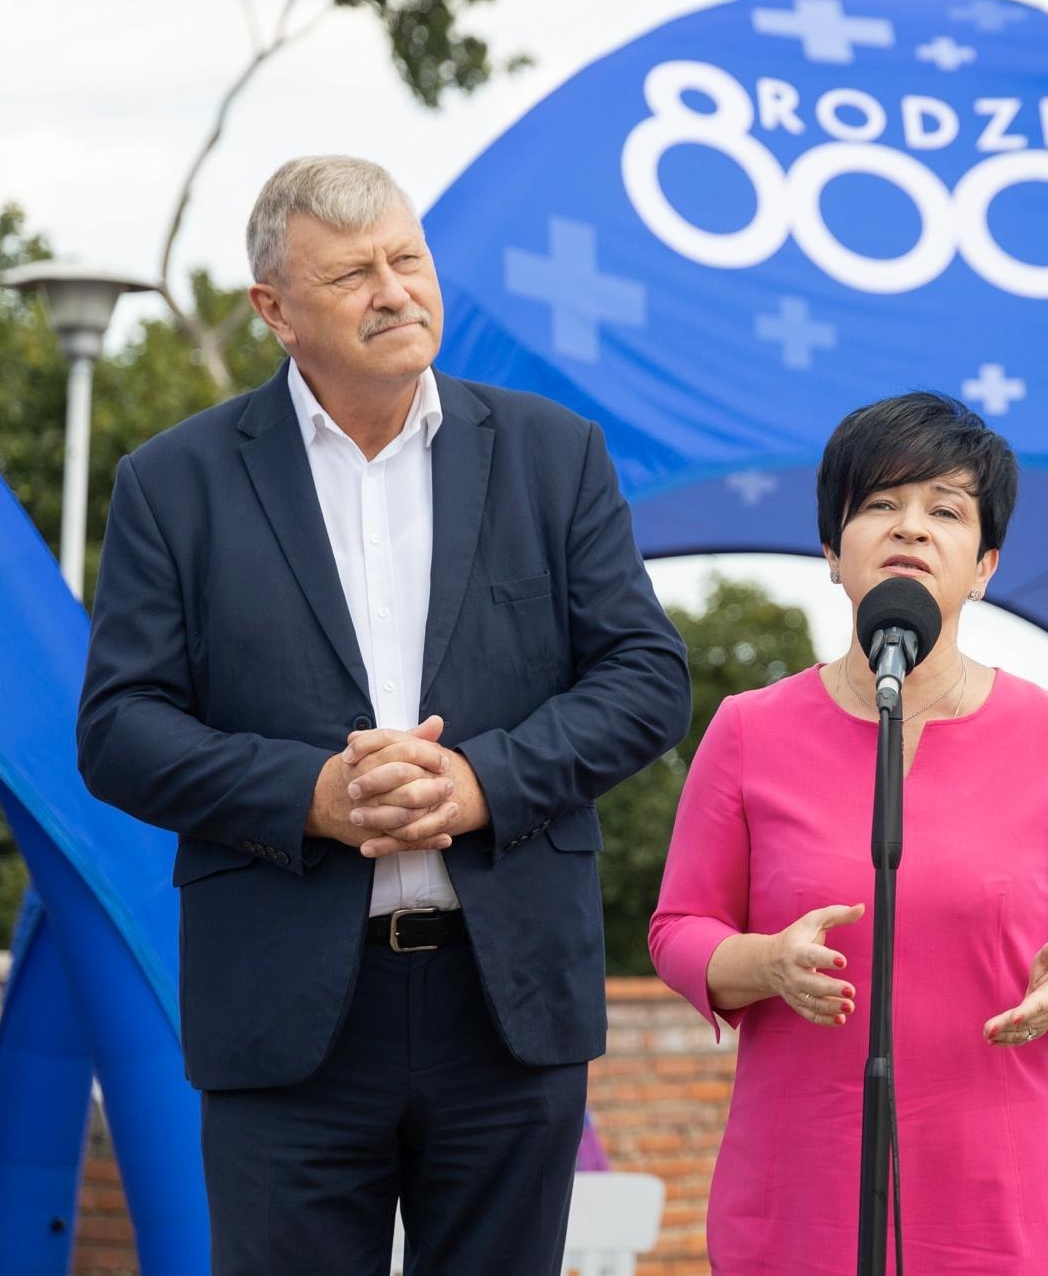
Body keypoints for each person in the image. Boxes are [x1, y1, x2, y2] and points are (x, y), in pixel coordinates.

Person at [77, 156, 691, 1274]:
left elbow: (647, 677)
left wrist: (483, 782)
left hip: (506, 1003)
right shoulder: (174, 483)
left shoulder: (554, 455)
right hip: (284, 1013)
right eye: (353, 274)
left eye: (408, 259)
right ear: (274, 310)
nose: (395, 291)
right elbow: (119, 727)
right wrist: (309, 795)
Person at [647, 391, 1048, 1275]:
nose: (911, 526)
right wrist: (766, 962)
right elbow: (679, 927)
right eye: (880, 502)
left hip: (993, 1192)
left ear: (984, 564)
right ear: (831, 551)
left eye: (946, 510)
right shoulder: (747, 728)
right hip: (801, 1186)